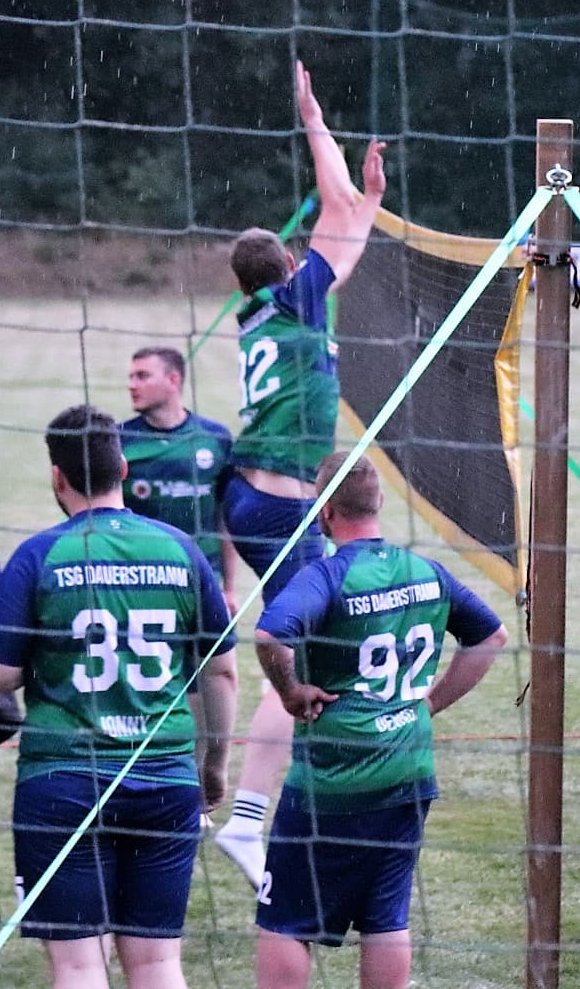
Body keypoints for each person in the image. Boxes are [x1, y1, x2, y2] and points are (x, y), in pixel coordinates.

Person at [0, 405, 237, 989]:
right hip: (168, 779)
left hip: (65, 782)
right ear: (122, 465)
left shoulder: (39, 555)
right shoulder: (180, 550)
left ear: (57, 477)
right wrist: (212, 766)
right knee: (157, 962)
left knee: (78, 963)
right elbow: (221, 673)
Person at [215, 59, 386, 884]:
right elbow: (334, 213)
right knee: (303, 653)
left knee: (309, 646)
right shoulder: (292, 302)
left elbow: (344, 228)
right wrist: (315, 123)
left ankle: (251, 794)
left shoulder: (266, 309)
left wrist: (370, 202)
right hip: (277, 507)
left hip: (257, 495)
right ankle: (249, 820)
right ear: (287, 268)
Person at [252, 452, 506, 989]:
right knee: (385, 917)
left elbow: (272, 636)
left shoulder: (327, 576)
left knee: (284, 921)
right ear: (380, 502)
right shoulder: (425, 570)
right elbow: (491, 637)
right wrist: (428, 704)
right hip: (408, 774)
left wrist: (291, 691)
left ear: (324, 514)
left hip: (332, 781)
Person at [120, 346, 241, 610]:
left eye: (142, 376)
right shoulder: (119, 441)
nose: (132, 385)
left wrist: (229, 588)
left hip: (203, 579)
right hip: (140, 580)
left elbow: (225, 516)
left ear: (173, 380)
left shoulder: (215, 439)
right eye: (131, 377)